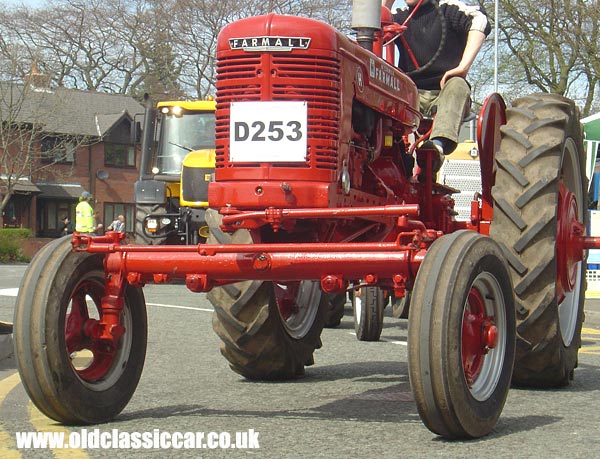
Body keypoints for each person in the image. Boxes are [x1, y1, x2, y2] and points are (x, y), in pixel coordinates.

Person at [382, 0, 491, 175]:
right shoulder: (399, 16)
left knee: (457, 84)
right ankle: (397, 156)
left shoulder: (448, 8)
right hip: (410, 94)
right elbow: (376, 25)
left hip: (445, 93)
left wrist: (462, 67)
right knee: (384, 88)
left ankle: (436, 149)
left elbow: (480, 21)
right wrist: (386, 4)